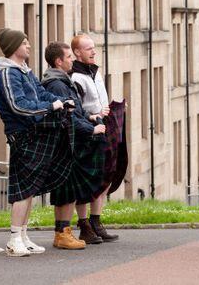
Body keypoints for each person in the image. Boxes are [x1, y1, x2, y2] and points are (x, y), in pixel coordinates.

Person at [0, 28, 74, 256]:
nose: (28, 46)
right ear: (13, 47)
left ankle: (23, 236)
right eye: (24, 42)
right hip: (22, 135)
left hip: (34, 133)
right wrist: (51, 107)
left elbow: (40, 93)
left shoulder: (24, 72)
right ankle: (14, 239)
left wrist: (61, 101)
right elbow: (17, 105)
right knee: (23, 191)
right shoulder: (7, 74)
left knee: (29, 189)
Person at [42, 42, 108, 250]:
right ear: (58, 61)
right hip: (66, 142)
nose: (72, 60)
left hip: (69, 139)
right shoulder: (57, 84)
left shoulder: (62, 80)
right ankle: (63, 233)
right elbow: (67, 116)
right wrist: (91, 129)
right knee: (66, 190)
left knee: (67, 190)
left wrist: (90, 116)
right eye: (69, 57)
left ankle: (64, 232)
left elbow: (76, 111)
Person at [70, 34, 119, 244]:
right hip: (87, 131)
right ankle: (84, 225)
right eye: (88, 48)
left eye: (93, 47)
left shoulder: (95, 71)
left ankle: (96, 222)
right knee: (85, 181)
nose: (93, 51)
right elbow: (78, 109)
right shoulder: (75, 78)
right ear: (77, 52)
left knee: (104, 176)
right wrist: (94, 114)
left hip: (103, 126)